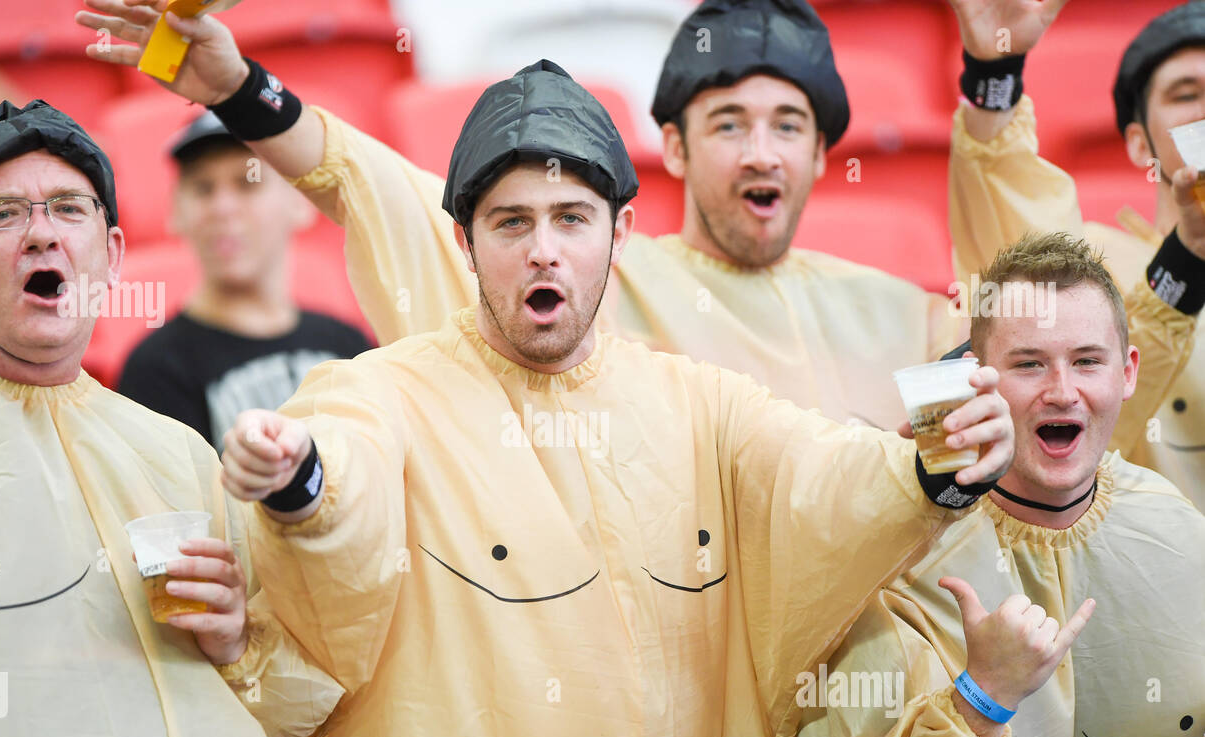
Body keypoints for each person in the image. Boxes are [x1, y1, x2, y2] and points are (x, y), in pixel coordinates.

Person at [202, 58, 1017, 737]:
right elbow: (347, 465)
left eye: (572, 218)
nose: (543, 251)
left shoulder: (700, 400)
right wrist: (302, 479)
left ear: (620, 231)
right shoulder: (387, 388)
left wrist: (934, 469)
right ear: (465, 241)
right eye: (511, 222)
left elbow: (823, 476)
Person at [78, 0, 965, 431]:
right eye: (728, 123)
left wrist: (995, 85)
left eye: (789, 126)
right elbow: (372, 183)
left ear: (822, 152)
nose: (760, 152)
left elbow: (1053, 356)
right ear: (676, 148)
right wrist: (239, 90)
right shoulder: (598, 273)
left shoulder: (906, 318)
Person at [0, 99, 340, 737]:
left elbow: (293, 706)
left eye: (68, 208)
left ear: (109, 252)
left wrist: (237, 638)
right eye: (1, 213)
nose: (42, 231)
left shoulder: (177, 452)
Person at [785, 233, 1205, 737]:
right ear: (975, 379)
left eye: (1087, 361)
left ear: (1129, 374)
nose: (1062, 391)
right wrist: (981, 699)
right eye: (1029, 363)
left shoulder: (1175, 526)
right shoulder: (903, 556)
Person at [945, 0, 1205, 511]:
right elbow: (1004, 204)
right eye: (1186, 94)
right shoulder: (1086, 268)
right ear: (1137, 144)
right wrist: (994, 73)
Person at [116, 110, 372, 452]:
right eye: (203, 189)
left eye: (247, 183)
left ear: (300, 202)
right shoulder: (155, 371)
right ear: (176, 211)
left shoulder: (350, 346)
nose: (222, 207)